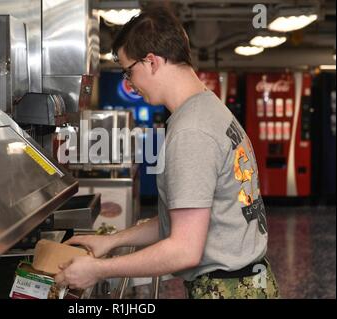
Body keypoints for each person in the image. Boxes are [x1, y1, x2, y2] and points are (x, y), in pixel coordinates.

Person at [54, 6, 280, 299]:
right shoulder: (209, 108)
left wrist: (97, 270)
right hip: (247, 284)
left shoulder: (191, 132)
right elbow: (182, 221)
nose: (130, 83)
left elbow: (184, 250)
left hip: (227, 290)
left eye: (128, 71)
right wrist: (111, 242)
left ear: (151, 62)